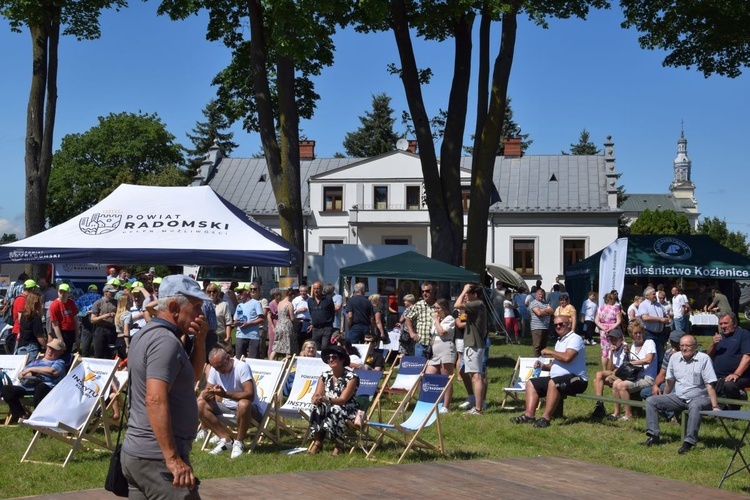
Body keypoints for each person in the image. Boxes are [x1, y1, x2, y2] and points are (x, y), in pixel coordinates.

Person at [121, 275, 208, 498]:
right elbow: (155, 399)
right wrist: (172, 458)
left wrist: (199, 342)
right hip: (157, 460)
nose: (201, 314)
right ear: (173, 307)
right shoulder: (165, 342)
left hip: (139, 454)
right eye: (196, 307)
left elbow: (193, 376)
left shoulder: (148, 334)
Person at [642, 334, 719, 454]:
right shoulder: (674, 358)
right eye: (682, 345)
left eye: (687, 346)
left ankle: (689, 441)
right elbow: (670, 381)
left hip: (700, 397)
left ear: (695, 347)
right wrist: (665, 396)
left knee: (695, 406)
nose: (684, 348)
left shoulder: (704, 359)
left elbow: (710, 385)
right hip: (679, 397)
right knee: (651, 401)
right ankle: (653, 436)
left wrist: (715, 406)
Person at [510, 315, 588, 428]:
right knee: (531, 383)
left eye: (561, 324)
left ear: (569, 324)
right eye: (556, 325)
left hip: (577, 380)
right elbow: (558, 363)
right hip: (558, 379)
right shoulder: (560, 340)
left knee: (553, 382)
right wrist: (543, 366)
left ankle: (546, 418)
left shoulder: (575, 338)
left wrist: (550, 352)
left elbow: (567, 358)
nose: (558, 327)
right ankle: (529, 416)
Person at [197, 346, 260, 459]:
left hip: (250, 411)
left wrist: (225, 394)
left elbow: (250, 395)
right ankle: (226, 440)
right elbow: (208, 389)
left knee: (243, 403)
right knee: (200, 404)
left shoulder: (241, 367)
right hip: (227, 407)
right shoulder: (215, 370)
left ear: (228, 357)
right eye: (216, 368)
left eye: (221, 366)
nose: (220, 370)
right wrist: (206, 395)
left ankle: (239, 442)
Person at [308, 344, 359, 456]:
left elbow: (343, 400)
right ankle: (317, 442)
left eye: (334, 357)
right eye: (328, 358)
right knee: (315, 407)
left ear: (342, 359)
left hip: (347, 409)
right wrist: (315, 399)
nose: (330, 359)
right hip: (328, 405)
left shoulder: (351, 377)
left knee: (335, 409)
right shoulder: (325, 375)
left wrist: (326, 399)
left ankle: (339, 445)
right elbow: (317, 393)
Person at [1, 338, 67, 423]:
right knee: (6, 389)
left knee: (40, 387)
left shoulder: (59, 362)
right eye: (49, 348)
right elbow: (20, 375)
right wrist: (28, 374)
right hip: (27, 387)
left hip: (46, 387)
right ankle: (22, 415)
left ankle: (37, 418)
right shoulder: (35, 361)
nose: (50, 350)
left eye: (54, 349)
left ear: (60, 352)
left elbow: (53, 371)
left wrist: (32, 369)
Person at [610, 322, 657, 421]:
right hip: (636, 376)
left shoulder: (649, 343)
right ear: (632, 335)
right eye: (635, 333)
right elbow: (630, 362)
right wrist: (627, 354)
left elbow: (648, 359)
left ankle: (628, 415)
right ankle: (616, 412)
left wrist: (632, 363)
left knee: (621, 386)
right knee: (615, 384)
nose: (638, 335)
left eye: (640, 332)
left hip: (648, 378)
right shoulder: (634, 345)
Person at [454, 282, 488, 415]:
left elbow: (457, 305)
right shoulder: (477, 306)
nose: (465, 297)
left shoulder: (478, 303)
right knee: (475, 375)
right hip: (473, 344)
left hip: (474, 344)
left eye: (468, 294)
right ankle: (477, 405)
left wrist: (463, 290)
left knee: (476, 377)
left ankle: (478, 408)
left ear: (474, 294)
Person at [707, 312, 750, 405]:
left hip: (741, 376)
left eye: (726, 323)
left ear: (734, 323)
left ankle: (734, 409)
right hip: (719, 376)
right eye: (721, 324)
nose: (723, 326)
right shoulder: (720, 337)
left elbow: (747, 357)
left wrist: (736, 374)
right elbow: (708, 355)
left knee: (728, 385)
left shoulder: (743, 334)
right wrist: (713, 344)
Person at [590, 328, 629, 420]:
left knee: (597, 380)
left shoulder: (625, 348)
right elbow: (610, 368)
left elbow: (625, 366)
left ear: (621, 339)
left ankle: (600, 406)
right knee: (598, 375)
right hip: (614, 371)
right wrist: (611, 353)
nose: (613, 341)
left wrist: (615, 370)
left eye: (615, 339)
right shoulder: (612, 348)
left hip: (622, 373)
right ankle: (600, 403)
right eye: (611, 339)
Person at [426, 298, 456, 413]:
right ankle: (431, 401)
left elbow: (442, 332)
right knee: (428, 376)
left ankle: (446, 406)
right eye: (435, 308)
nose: (436, 311)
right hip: (436, 351)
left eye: (438, 308)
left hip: (446, 349)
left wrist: (436, 321)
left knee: (446, 378)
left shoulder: (449, 319)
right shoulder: (438, 320)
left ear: (444, 308)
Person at [637, 286, 670, 370]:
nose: (655, 295)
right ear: (647, 296)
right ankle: (650, 373)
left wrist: (667, 317)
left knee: (661, 354)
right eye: (653, 294)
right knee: (650, 354)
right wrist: (660, 319)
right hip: (649, 333)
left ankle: (659, 375)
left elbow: (665, 313)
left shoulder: (658, 304)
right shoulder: (643, 305)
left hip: (660, 333)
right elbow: (645, 318)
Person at [233, 285, 264, 359]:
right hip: (240, 335)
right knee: (239, 360)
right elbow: (234, 322)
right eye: (237, 292)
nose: (238, 294)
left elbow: (261, 319)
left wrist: (249, 324)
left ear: (247, 291)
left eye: (240, 292)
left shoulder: (256, 303)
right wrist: (236, 322)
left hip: (253, 336)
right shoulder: (239, 305)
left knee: (253, 360)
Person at [48, 283, 79, 357]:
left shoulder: (71, 302)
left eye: (64, 292)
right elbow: (55, 325)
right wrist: (61, 340)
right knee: (60, 353)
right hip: (61, 331)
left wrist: (77, 336)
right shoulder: (54, 305)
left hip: (71, 331)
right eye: (60, 292)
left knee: (70, 353)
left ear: (68, 293)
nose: (62, 294)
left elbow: (75, 320)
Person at [15, 292, 47, 361]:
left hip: (21, 345)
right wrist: (46, 346)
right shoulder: (36, 318)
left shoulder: (23, 315)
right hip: (32, 347)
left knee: (22, 368)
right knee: (30, 369)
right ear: (36, 304)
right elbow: (39, 336)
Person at [9, 279, 37, 356]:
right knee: (17, 353)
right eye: (35, 289)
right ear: (33, 289)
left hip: (22, 331)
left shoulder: (24, 298)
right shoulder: (22, 299)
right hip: (19, 331)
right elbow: (21, 318)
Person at [595, 293, 622, 370]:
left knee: (604, 350)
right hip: (614, 330)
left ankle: (604, 369)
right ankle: (612, 367)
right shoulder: (615, 309)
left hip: (603, 330)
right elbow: (619, 321)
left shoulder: (600, 308)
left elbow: (596, 321)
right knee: (614, 348)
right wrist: (611, 328)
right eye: (613, 299)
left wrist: (603, 328)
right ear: (610, 300)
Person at [308, 281, 335, 351]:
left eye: (318, 288)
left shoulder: (328, 299)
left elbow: (332, 311)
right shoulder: (310, 301)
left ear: (321, 289)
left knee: (324, 347)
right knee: (316, 348)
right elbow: (311, 313)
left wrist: (329, 321)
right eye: (314, 289)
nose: (316, 290)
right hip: (316, 329)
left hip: (326, 328)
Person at [75, 284, 102, 357]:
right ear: (96, 290)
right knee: (97, 337)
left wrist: (82, 312)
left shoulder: (82, 297)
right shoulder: (99, 297)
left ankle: (84, 355)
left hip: (85, 317)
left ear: (88, 290)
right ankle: (97, 355)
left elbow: (76, 306)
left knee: (86, 337)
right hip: (96, 318)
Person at [272, 288, 297, 360]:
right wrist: (299, 321)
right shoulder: (289, 304)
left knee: (276, 345)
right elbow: (292, 318)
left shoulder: (280, 303)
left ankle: (270, 361)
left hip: (279, 324)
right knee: (288, 345)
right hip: (286, 325)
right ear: (292, 295)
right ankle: (287, 362)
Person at [529, 288, 554, 357]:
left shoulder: (545, 303)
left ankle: (543, 361)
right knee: (537, 346)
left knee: (544, 346)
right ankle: (537, 361)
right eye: (540, 294)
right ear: (536, 295)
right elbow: (539, 313)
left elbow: (552, 311)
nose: (541, 296)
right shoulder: (533, 303)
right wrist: (546, 311)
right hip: (537, 328)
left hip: (545, 327)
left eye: (543, 294)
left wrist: (543, 310)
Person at [266, 288, 281, 358]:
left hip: (280, 324)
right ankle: (270, 358)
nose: (280, 296)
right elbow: (269, 316)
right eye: (279, 295)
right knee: (272, 343)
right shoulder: (271, 304)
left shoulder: (280, 303)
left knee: (278, 343)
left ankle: (276, 358)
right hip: (274, 324)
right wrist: (272, 327)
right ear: (275, 295)